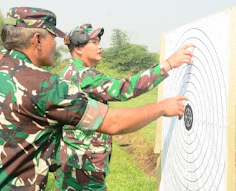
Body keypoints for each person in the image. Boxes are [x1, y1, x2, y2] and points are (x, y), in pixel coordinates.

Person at [0, 7, 187, 191]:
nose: (56, 44)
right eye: (53, 37)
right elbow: (112, 123)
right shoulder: (44, 84)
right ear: (37, 40)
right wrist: (162, 107)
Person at [54, 24, 194, 190]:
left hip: (73, 160)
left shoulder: (70, 72)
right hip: (82, 164)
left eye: (99, 41)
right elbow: (123, 89)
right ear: (78, 48)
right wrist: (168, 64)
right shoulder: (81, 74)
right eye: (94, 42)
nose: (100, 46)